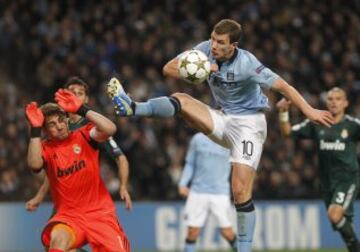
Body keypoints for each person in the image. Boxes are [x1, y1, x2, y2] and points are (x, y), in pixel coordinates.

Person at [106, 19, 334, 251]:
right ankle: (132, 108)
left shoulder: (247, 63)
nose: (214, 45)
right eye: (213, 39)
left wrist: (309, 110)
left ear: (233, 45)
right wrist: (201, 68)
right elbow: (168, 68)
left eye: (220, 42)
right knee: (182, 99)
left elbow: (283, 86)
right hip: (223, 118)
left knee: (239, 190)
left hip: (249, 125)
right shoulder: (205, 50)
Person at [25, 89, 130, 252]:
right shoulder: (46, 148)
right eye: (52, 124)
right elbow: (34, 165)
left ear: (67, 120)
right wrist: (35, 131)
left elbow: (110, 129)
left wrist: (82, 109)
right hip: (69, 216)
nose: (59, 126)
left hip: (100, 214)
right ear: (45, 131)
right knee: (57, 240)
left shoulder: (85, 135)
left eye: (61, 120)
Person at [26, 77, 132, 213]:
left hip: (88, 199)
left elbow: (120, 157)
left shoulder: (93, 128)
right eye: (71, 92)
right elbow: (53, 166)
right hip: (65, 201)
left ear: (86, 99)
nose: (75, 95)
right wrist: (39, 197)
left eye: (80, 93)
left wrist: (123, 186)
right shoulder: (57, 127)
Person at [276, 87, 360, 252]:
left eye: (338, 99)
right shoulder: (316, 123)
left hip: (347, 179)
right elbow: (287, 133)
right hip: (326, 181)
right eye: (330, 99)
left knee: (334, 215)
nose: (333, 102)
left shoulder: (353, 125)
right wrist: (283, 112)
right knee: (341, 223)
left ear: (345, 103)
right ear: (326, 102)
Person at [179, 133, 236, 252]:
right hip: (198, 192)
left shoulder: (229, 139)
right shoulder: (198, 139)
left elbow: (238, 165)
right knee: (192, 232)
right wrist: (183, 183)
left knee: (228, 233)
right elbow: (190, 163)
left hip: (220, 193)